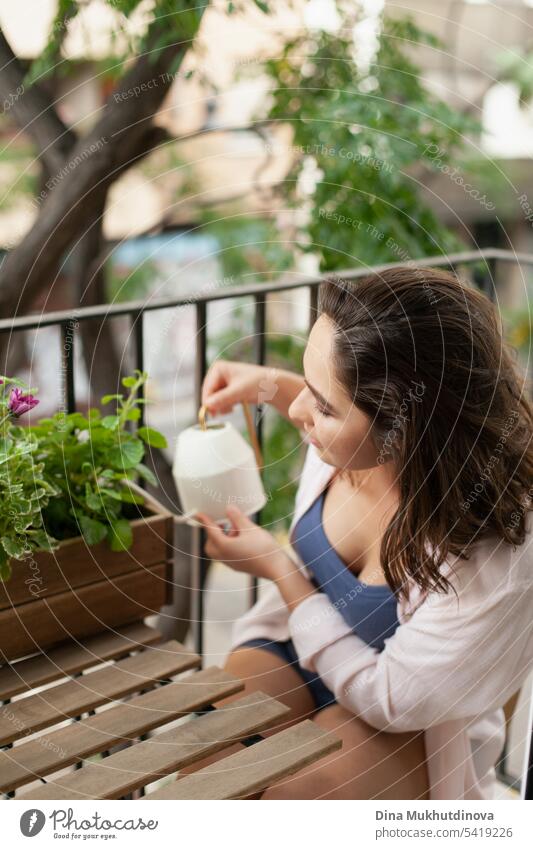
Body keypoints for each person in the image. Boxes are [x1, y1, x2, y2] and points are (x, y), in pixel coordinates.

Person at [192, 266, 533, 800]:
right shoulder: (360, 440)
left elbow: (390, 698)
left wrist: (280, 570)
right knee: (206, 766)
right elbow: (335, 402)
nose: (300, 413)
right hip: (293, 647)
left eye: (322, 406)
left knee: (287, 805)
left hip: (400, 718)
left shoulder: (490, 554)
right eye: (306, 382)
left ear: (406, 428)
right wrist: (267, 385)